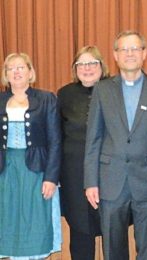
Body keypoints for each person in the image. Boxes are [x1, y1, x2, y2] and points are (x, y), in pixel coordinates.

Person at [84, 31, 147, 260]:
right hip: (110, 181)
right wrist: (91, 182)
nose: (130, 54)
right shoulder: (102, 90)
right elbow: (93, 139)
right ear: (115, 55)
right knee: (112, 251)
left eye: (135, 48)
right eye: (124, 49)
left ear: (144, 53)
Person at [0, 53, 62, 258]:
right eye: (11, 68)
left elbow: (55, 141)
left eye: (21, 67)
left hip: (36, 171)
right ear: (6, 74)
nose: (16, 72)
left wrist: (51, 177)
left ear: (30, 71)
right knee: (8, 218)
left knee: (34, 220)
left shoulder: (46, 99)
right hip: (5, 171)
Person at [58, 46, 109, 259]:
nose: (87, 68)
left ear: (102, 66)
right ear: (75, 69)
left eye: (92, 63)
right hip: (74, 176)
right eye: (81, 64)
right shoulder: (65, 94)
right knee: (80, 234)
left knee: (112, 234)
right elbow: (57, 136)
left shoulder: (115, 90)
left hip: (109, 175)